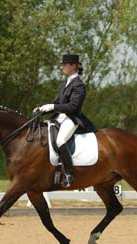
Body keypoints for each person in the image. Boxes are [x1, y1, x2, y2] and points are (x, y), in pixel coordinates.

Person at [35, 54, 96, 187]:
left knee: (60, 140)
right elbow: (57, 103)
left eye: (65, 64)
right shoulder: (65, 83)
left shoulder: (79, 85)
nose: (62, 67)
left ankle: (69, 174)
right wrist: (43, 108)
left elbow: (73, 107)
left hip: (71, 118)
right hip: (59, 118)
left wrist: (53, 106)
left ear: (74, 66)